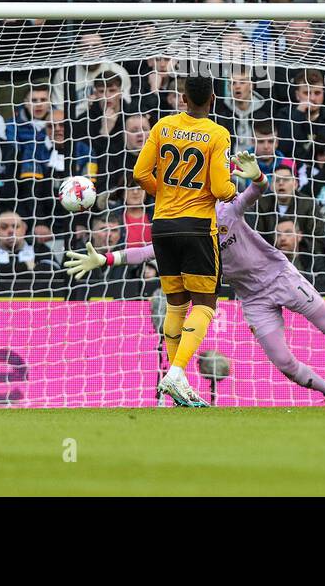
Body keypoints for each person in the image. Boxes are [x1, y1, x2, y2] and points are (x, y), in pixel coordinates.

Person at [68, 150, 325, 405]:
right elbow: (148, 251)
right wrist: (105, 258)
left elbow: (254, 192)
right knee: (283, 362)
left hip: (280, 277)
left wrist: (259, 177)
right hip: (253, 298)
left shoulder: (227, 211)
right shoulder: (187, 228)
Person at [131, 75, 237, 407]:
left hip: (162, 225)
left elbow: (139, 173)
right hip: (196, 228)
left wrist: (164, 193)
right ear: (213, 100)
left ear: (182, 99)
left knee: (176, 304)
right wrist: (237, 186)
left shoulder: (163, 126)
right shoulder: (218, 134)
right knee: (204, 304)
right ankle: (177, 373)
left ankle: (178, 384)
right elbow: (221, 189)